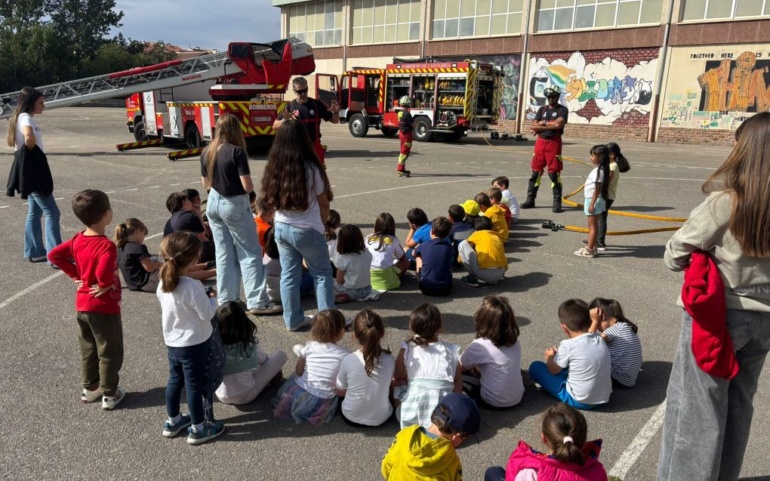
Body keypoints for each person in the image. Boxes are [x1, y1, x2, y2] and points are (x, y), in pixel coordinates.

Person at [657, 112, 770, 481]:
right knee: (739, 405)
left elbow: (674, 254)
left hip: (718, 318)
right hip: (764, 319)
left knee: (697, 412)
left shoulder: (725, 202)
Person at [48, 189, 125, 410]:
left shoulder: (77, 239)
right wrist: (104, 284)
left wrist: (77, 275)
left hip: (83, 304)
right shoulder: (106, 245)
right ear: (105, 215)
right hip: (103, 306)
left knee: (89, 347)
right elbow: (102, 273)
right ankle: (110, 394)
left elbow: (54, 254)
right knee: (110, 350)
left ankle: (90, 388)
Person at [200, 113, 280, 316]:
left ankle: (227, 299)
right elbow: (247, 185)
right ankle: (257, 301)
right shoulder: (236, 152)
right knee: (250, 252)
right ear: (235, 130)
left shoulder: (207, 151)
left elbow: (205, 184)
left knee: (224, 253)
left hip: (213, 202)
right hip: (233, 202)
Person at [260, 119, 336, 331]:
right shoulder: (311, 168)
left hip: (282, 228)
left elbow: (268, 202)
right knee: (321, 273)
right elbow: (324, 203)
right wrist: (320, 225)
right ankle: (327, 324)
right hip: (308, 228)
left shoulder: (275, 167)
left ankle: (292, 320)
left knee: (290, 275)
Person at [156, 231, 224, 444]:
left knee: (175, 380)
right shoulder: (193, 286)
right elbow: (207, 313)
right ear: (194, 258)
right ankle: (198, 427)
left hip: (173, 341)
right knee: (194, 386)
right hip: (194, 342)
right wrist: (212, 298)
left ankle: (174, 419)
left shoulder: (164, 283)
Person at [6, 86, 62, 264]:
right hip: (34, 171)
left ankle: (35, 251)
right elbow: (29, 137)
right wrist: (32, 157)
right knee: (53, 212)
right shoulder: (25, 118)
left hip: (29, 170)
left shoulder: (21, 117)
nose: (43, 106)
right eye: (40, 103)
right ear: (30, 102)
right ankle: (55, 257)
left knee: (34, 211)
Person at [484, 403, 608, 481]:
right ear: (583, 440)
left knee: (493, 472)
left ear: (543, 438)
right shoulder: (598, 471)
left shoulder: (532, 473)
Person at [528, 299, 612, 410]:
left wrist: (550, 357)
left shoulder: (568, 345)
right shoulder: (598, 338)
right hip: (604, 398)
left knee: (536, 367)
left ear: (564, 327)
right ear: (590, 321)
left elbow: (553, 370)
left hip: (580, 401)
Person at [272, 309, 349, 425]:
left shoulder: (310, 347)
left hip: (300, 390)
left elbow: (298, 371)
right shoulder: (345, 354)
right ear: (339, 332)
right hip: (322, 398)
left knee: (298, 381)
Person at [382, 393, 481, 481]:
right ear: (457, 435)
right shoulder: (450, 461)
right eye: (465, 438)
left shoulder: (404, 434)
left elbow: (385, 468)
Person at [393, 303, 462, 428]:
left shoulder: (408, 347)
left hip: (414, 415)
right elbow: (457, 381)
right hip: (443, 417)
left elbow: (397, 375)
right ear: (439, 328)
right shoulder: (452, 349)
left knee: (397, 387)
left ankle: (405, 413)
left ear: (413, 327)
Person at [215, 301, 288, 405]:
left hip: (221, 395)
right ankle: (268, 383)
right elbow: (264, 361)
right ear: (243, 322)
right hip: (246, 395)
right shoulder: (248, 345)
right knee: (281, 355)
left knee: (246, 368)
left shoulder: (214, 347)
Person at [460, 296, 524, 409]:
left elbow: (459, 367)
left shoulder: (480, 345)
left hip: (492, 401)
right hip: (517, 398)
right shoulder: (514, 342)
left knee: (458, 375)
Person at [335, 309, 395, 427]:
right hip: (382, 418)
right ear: (382, 333)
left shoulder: (348, 359)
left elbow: (340, 391)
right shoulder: (390, 359)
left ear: (354, 335)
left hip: (350, 417)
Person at [272, 76, 340, 166]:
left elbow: (335, 120)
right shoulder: (290, 106)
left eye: (305, 90)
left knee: (318, 177)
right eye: (300, 92)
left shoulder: (317, 105)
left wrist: (336, 112)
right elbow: (275, 126)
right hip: (296, 149)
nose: (303, 94)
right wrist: (286, 119)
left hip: (314, 147)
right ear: (294, 91)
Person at [522, 86, 569, 213]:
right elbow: (533, 125)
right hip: (540, 142)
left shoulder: (562, 110)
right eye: (548, 97)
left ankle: (557, 202)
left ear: (558, 97)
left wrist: (542, 124)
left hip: (554, 143)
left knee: (554, 174)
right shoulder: (542, 109)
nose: (550, 99)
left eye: (553, 96)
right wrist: (549, 125)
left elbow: (559, 124)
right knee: (535, 172)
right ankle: (530, 199)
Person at [588, 298, 642, 388]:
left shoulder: (614, 330)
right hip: (629, 378)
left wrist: (594, 321)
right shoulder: (623, 326)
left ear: (602, 317)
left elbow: (588, 342)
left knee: (589, 354)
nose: (595, 327)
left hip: (619, 379)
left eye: (592, 322)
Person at [574, 145, 610, 258]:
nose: (590, 158)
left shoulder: (600, 171)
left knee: (592, 227)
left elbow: (597, 188)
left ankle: (589, 250)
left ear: (600, 157)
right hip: (596, 200)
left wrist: (592, 203)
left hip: (594, 200)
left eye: (592, 155)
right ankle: (593, 247)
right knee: (594, 226)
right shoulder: (600, 169)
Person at [594, 143, 631, 251]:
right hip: (607, 195)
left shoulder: (613, 166)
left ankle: (600, 242)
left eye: (604, 154)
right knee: (599, 218)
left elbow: (605, 181)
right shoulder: (610, 165)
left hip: (606, 196)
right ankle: (595, 239)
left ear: (612, 155)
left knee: (601, 219)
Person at [163, 192, 215, 264]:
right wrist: (198, 213)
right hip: (188, 256)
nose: (190, 202)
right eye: (188, 200)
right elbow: (204, 236)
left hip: (172, 256)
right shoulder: (190, 216)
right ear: (183, 203)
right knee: (221, 245)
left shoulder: (170, 221)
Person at [365, 212, 410, 292]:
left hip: (368, 280)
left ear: (376, 226)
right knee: (406, 262)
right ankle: (394, 278)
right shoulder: (392, 239)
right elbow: (403, 258)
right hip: (388, 282)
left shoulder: (368, 238)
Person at [115, 218, 162, 292]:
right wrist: (158, 264)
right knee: (171, 275)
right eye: (144, 234)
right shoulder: (138, 248)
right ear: (138, 231)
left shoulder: (119, 248)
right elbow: (149, 268)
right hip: (146, 283)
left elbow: (115, 267)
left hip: (132, 284)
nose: (144, 237)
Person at [459, 216, 508, 287]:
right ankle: (492, 280)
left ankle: (473, 277)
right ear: (491, 227)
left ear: (476, 229)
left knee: (463, 244)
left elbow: (466, 248)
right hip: (500, 272)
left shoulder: (475, 235)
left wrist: (460, 260)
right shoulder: (497, 237)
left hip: (484, 274)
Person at [334, 224, 377, 303]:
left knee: (331, 283)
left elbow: (339, 280)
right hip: (367, 289)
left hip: (350, 291)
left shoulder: (343, 258)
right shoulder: (367, 253)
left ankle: (342, 297)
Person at [414, 217, 454, 296]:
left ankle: (419, 274)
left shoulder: (424, 245)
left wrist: (417, 247)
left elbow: (414, 253)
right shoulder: (449, 247)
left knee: (418, 256)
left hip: (426, 288)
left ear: (432, 231)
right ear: (448, 233)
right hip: (446, 289)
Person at [448, 204, 473, 270]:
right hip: (472, 249)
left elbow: (448, 242)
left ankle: (456, 264)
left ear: (450, 218)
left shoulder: (452, 230)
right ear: (464, 215)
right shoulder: (470, 225)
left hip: (460, 252)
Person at [396, 95, 414, 177]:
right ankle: (400, 170)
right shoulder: (407, 114)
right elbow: (413, 123)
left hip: (402, 134)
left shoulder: (400, 113)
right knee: (404, 152)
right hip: (406, 135)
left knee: (404, 151)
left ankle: (402, 168)